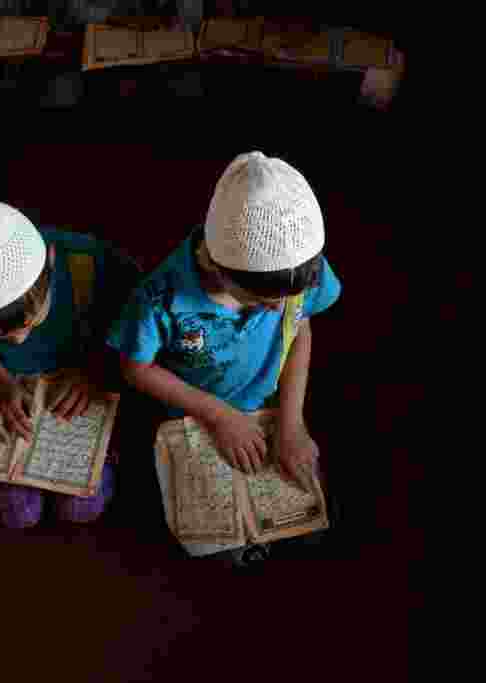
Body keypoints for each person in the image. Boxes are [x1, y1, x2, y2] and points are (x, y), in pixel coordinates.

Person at [107, 151, 342, 567]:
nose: (276, 310)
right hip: (191, 416)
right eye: (256, 300)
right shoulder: (160, 297)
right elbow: (135, 368)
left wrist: (291, 423)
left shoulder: (301, 274)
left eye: (286, 300)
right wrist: (219, 416)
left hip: (268, 408)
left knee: (311, 517)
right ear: (213, 265)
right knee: (225, 549)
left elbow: (300, 327)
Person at [0, 197, 142, 529]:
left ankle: (106, 451)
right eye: (2, 338)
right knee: (15, 512)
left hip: (86, 376)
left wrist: (95, 372)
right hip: (15, 384)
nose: (19, 340)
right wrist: (2, 379)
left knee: (80, 507)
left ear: (50, 263)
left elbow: (135, 325)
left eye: (29, 323)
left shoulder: (89, 262)